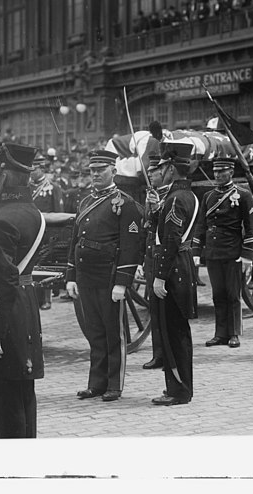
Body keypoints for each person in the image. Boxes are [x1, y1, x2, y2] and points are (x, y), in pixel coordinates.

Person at [0, 142, 46, 438]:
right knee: (23, 394)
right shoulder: (33, 213)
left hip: (5, 313)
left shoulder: (2, 222)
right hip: (25, 307)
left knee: (4, 404)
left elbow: (2, 280)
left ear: (3, 176)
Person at [65, 150, 143, 402]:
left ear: (114, 171)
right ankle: (95, 384)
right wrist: (71, 276)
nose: (95, 174)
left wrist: (122, 282)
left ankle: (114, 385)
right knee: (95, 332)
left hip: (109, 278)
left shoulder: (125, 203)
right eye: (92, 170)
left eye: (101, 169)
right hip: (86, 276)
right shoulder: (86, 201)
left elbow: (130, 246)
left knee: (113, 333)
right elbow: (76, 241)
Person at [150, 143, 199, 405]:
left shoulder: (174, 199)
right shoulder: (187, 195)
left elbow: (170, 239)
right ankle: (181, 388)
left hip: (173, 269)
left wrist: (159, 276)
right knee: (179, 332)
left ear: (170, 168)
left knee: (174, 334)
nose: (160, 171)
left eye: (162, 167)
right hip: (183, 263)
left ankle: (178, 390)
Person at [192, 156, 253, 349]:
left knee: (232, 294)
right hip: (213, 253)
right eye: (215, 171)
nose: (217, 175)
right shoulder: (208, 196)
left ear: (231, 172)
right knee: (218, 294)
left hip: (232, 251)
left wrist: (247, 255)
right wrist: (197, 250)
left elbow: (251, 227)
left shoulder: (243, 195)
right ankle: (220, 333)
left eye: (222, 171)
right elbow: (201, 225)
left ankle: (234, 333)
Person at [140, 154, 172, 370]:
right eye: (149, 172)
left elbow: (169, 229)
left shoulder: (172, 195)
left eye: (154, 171)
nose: (150, 175)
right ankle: (158, 353)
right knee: (154, 306)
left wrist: (157, 208)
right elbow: (146, 225)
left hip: (167, 256)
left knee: (167, 308)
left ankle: (169, 354)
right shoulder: (151, 195)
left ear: (164, 172)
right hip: (152, 253)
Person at [30, 153, 65, 310]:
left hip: (47, 233)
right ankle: (34, 298)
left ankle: (46, 299)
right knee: (32, 264)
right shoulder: (27, 188)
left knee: (45, 265)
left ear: (41, 169)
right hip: (30, 231)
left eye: (34, 169)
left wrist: (56, 237)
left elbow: (59, 213)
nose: (31, 172)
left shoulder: (53, 188)